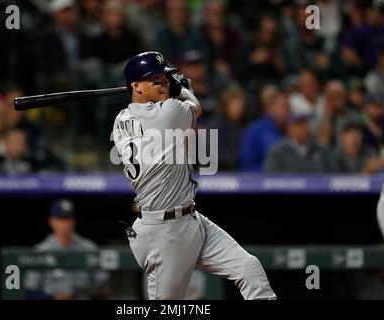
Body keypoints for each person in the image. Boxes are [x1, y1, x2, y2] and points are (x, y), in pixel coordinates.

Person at [113, 51, 276, 300]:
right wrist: (183, 89)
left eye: (166, 77)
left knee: (248, 268)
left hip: (190, 218)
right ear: (136, 85)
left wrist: (166, 89)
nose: (165, 83)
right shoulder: (167, 112)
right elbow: (195, 107)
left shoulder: (121, 119)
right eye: (156, 80)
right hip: (163, 231)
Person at [24, 199, 110, 300]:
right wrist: (53, 297)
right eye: (61, 219)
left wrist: (78, 292)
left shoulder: (89, 248)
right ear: (51, 221)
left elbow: (103, 287)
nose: (66, 223)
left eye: (69, 218)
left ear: (74, 221)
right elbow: (30, 291)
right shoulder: (41, 251)